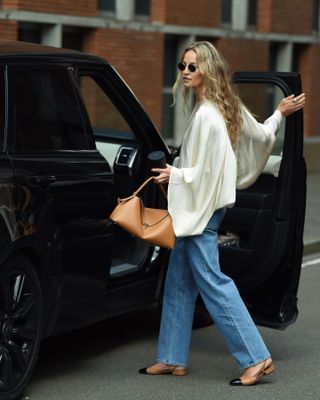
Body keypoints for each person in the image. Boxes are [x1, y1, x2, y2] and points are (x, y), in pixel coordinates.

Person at [139, 41, 306, 386]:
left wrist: (178, 174)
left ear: (207, 71)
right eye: (183, 66)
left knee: (213, 282)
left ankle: (256, 358)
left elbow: (214, 167)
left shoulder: (209, 115)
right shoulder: (225, 106)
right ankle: (172, 357)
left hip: (203, 210)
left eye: (192, 67)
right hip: (203, 207)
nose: (185, 72)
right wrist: (278, 114)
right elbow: (261, 134)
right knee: (179, 281)